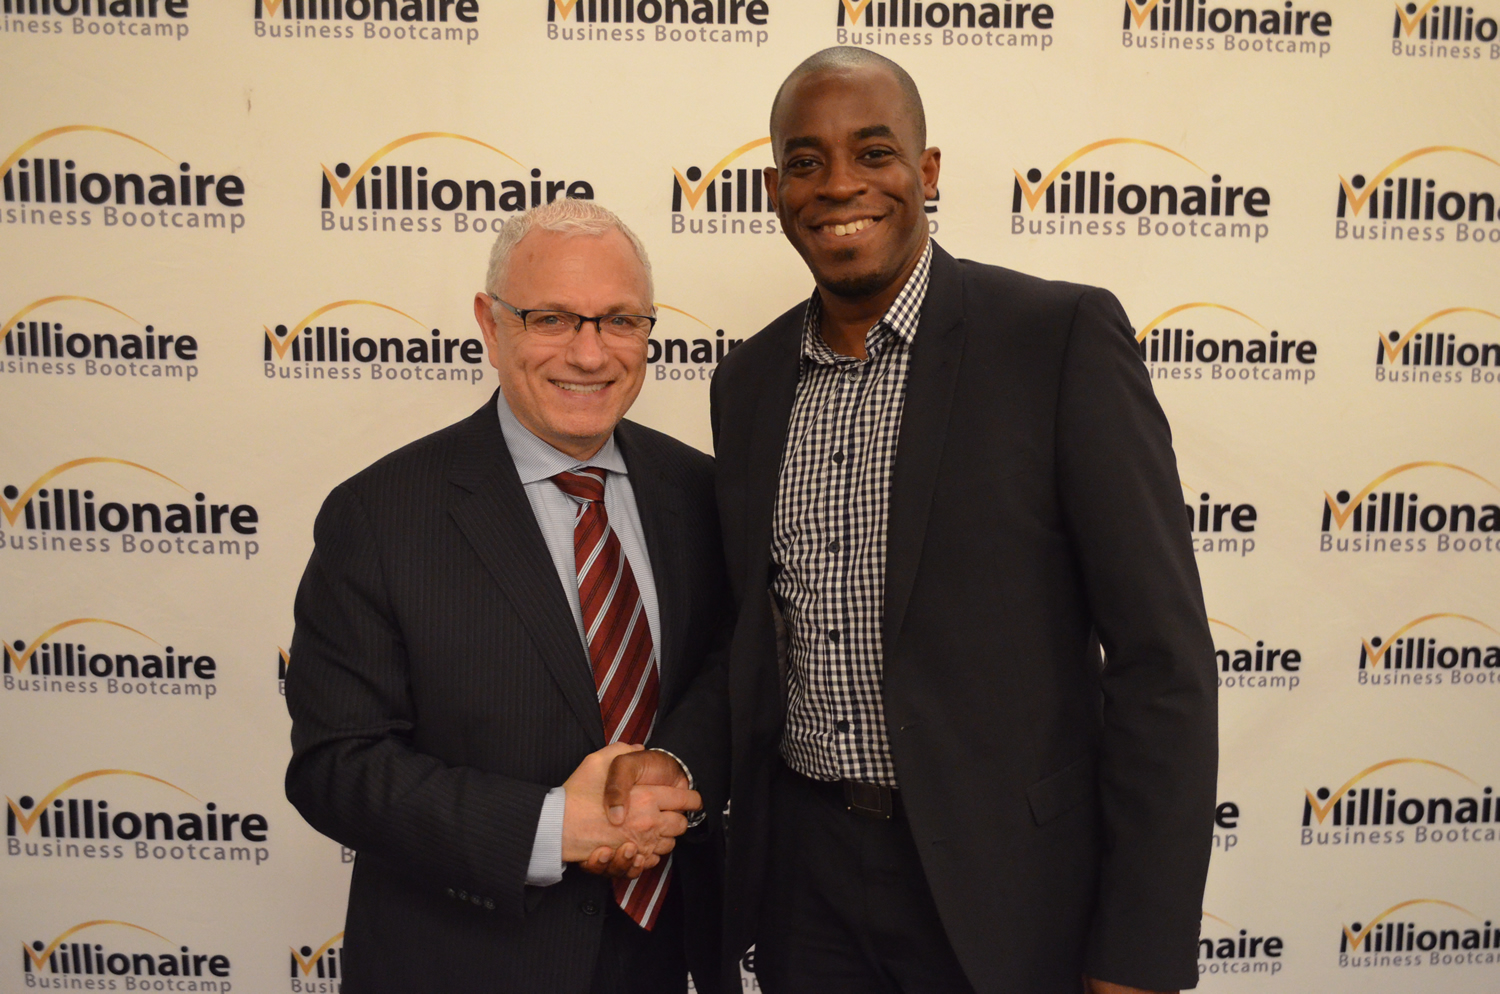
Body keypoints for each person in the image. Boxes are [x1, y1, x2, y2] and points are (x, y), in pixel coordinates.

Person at [616, 47, 1218, 994]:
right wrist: (673, 760)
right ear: (775, 190)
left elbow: (1163, 664)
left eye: (874, 152)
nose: (838, 185)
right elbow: (755, 640)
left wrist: (1137, 954)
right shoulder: (749, 382)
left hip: (1007, 887)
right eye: (805, 162)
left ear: (927, 171)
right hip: (806, 884)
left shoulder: (1055, 340)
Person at [284, 198, 726, 994]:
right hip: (465, 965)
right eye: (551, 318)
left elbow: (730, 677)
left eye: (620, 321)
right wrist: (552, 828)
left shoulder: (702, 493)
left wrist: (674, 769)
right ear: (490, 325)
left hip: (664, 959)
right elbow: (336, 767)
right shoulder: (380, 516)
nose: (589, 354)